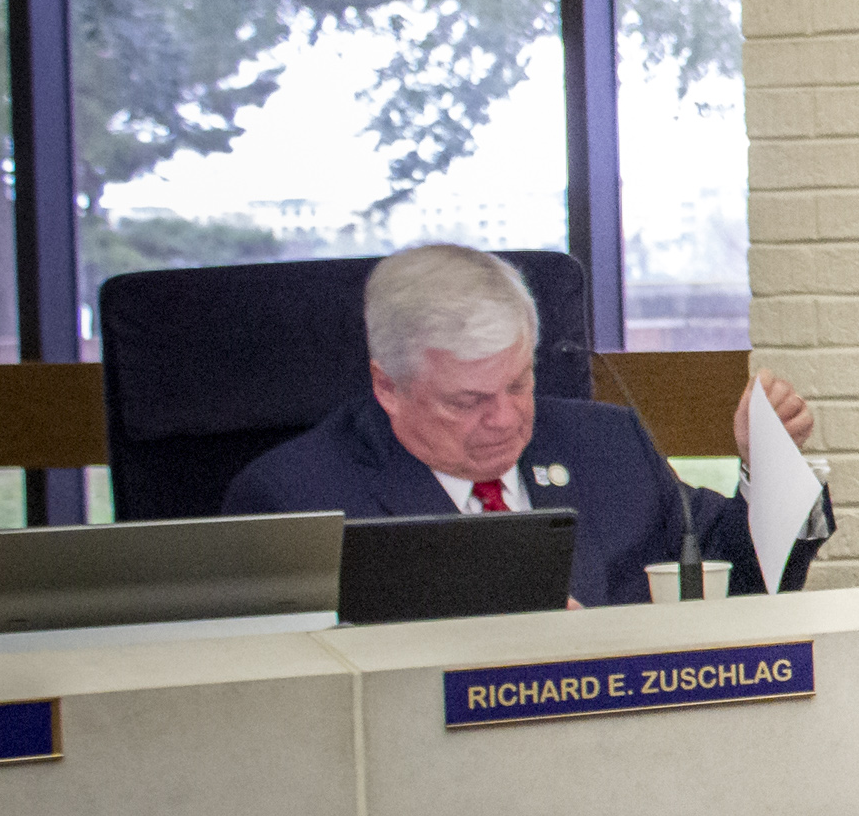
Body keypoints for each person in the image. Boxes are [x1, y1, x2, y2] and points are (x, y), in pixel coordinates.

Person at [222, 241, 828, 605]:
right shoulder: (298, 501)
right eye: (467, 401)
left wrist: (766, 468)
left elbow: (739, 580)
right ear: (388, 386)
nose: (506, 418)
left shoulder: (604, 445)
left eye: (519, 382)